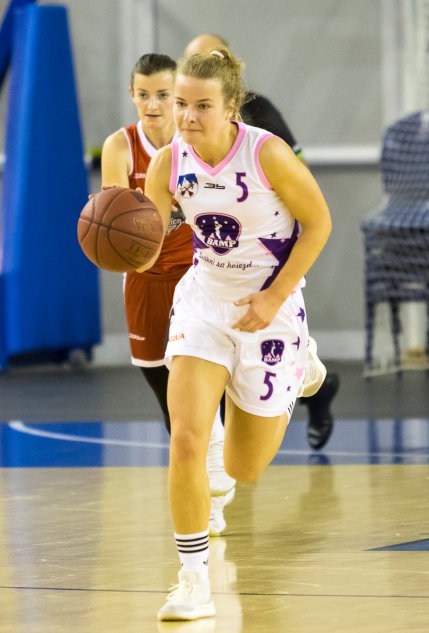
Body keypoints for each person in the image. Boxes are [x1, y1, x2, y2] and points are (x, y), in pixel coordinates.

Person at [144, 48, 332, 620]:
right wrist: (117, 242)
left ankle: (301, 364)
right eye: (181, 103)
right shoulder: (167, 163)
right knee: (186, 440)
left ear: (231, 108)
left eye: (202, 105)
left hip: (271, 307)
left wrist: (274, 296)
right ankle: (192, 579)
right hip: (204, 303)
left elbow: (319, 223)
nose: (187, 116)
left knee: (244, 469)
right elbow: (147, 246)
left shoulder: (266, 154)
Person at [100, 54, 236, 536]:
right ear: (132, 96)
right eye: (143, 95)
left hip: (197, 274)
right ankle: (203, 477)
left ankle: (213, 492)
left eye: (163, 95)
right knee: (169, 401)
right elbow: (117, 219)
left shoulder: (194, 140)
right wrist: (110, 232)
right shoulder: (120, 146)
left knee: (204, 389)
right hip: (146, 277)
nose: (153, 104)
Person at [184, 33, 339, 451]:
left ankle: (315, 385)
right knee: (205, 362)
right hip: (212, 253)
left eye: (207, 57)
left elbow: (299, 173)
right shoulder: (185, 126)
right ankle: (217, 465)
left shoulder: (260, 114)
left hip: (266, 252)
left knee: (268, 361)